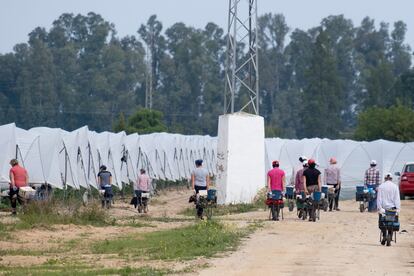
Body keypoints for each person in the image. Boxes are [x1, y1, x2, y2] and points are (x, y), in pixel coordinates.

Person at [377, 173, 401, 246]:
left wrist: (379, 208)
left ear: (385, 178)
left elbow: (379, 199)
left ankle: (384, 235)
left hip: (383, 209)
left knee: (382, 223)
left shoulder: (381, 186)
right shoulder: (395, 187)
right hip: (392, 210)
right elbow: (397, 199)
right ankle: (390, 236)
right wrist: (398, 209)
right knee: (391, 223)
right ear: (391, 179)